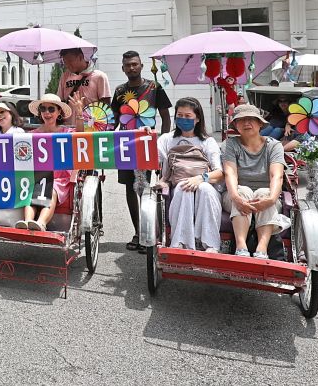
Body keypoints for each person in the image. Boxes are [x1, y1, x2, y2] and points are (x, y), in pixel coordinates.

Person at [109, 50, 171, 252]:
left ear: (141, 66)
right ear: (123, 68)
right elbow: (113, 120)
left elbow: (166, 117)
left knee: (144, 188)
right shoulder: (119, 91)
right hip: (125, 145)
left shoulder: (154, 87)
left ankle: (148, 234)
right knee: (130, 188)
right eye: (128, 65)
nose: (131, 68)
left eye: (135, 64)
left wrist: (162, 143)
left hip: (147, 144)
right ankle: (138, 232)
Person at [157, 97, 224, 252]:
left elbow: (219, 172)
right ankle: (181, 242)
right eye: (179, 115)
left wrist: (201, 179)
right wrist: (146, 135)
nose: (183, 119)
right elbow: (152, 158)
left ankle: (210, 244)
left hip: (205, 182)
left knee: (205, 189)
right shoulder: (167, 139)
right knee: (184, 186)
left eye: (188, 116)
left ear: (197, 118)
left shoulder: (207, 142)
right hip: (178, 183)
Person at [222, 105, 288, 258]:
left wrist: (271, 199)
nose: (246, 123)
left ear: (260, 123)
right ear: (236, 125)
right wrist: (236, 197)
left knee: (264, 193)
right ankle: (241, 246)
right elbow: (230, 173)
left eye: (251, 119)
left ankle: (262, 248)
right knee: (243, 191)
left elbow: (276, 175)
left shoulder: (274, 145)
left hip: (266, 196)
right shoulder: (231, 144)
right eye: (241, 120)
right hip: (235, 196)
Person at [20, 94, 75, 231]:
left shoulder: (67, 132)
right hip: (37, 177)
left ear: (59, 112)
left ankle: (41, 223)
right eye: (43, 109)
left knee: (51, 190)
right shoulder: (31, 135)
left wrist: (79, 115)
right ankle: (27, 222)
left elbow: (81, 137)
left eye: (51, 109)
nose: (47, 113)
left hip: (59, 178)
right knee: (30, 191)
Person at [57, 48, 111, 124]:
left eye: (70, 61)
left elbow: (106, 104)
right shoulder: (65, 77)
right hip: (69, 126)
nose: (67, 65)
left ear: (80, 57)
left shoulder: (99, 76)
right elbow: (60, 102)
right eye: (65, 62)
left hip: (91, 126)